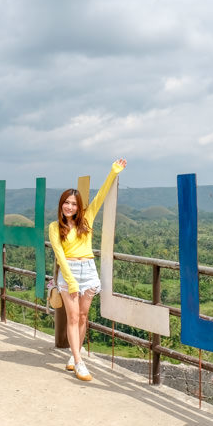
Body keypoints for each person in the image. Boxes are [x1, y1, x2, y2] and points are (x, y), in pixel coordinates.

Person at [48, 158, 126, 381]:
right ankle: (79, 362)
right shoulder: (55, 227)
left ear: (78, 205)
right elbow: (59, 254)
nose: (69, 207)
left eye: (73, 203)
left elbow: (101, 195)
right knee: (72, 317)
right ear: (61, 204)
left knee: (83, 317)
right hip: (69, 271)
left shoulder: (87, 219)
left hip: (89, 270)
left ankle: (75, 354)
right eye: (66, 203)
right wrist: (71, 280)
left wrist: (113, 172)